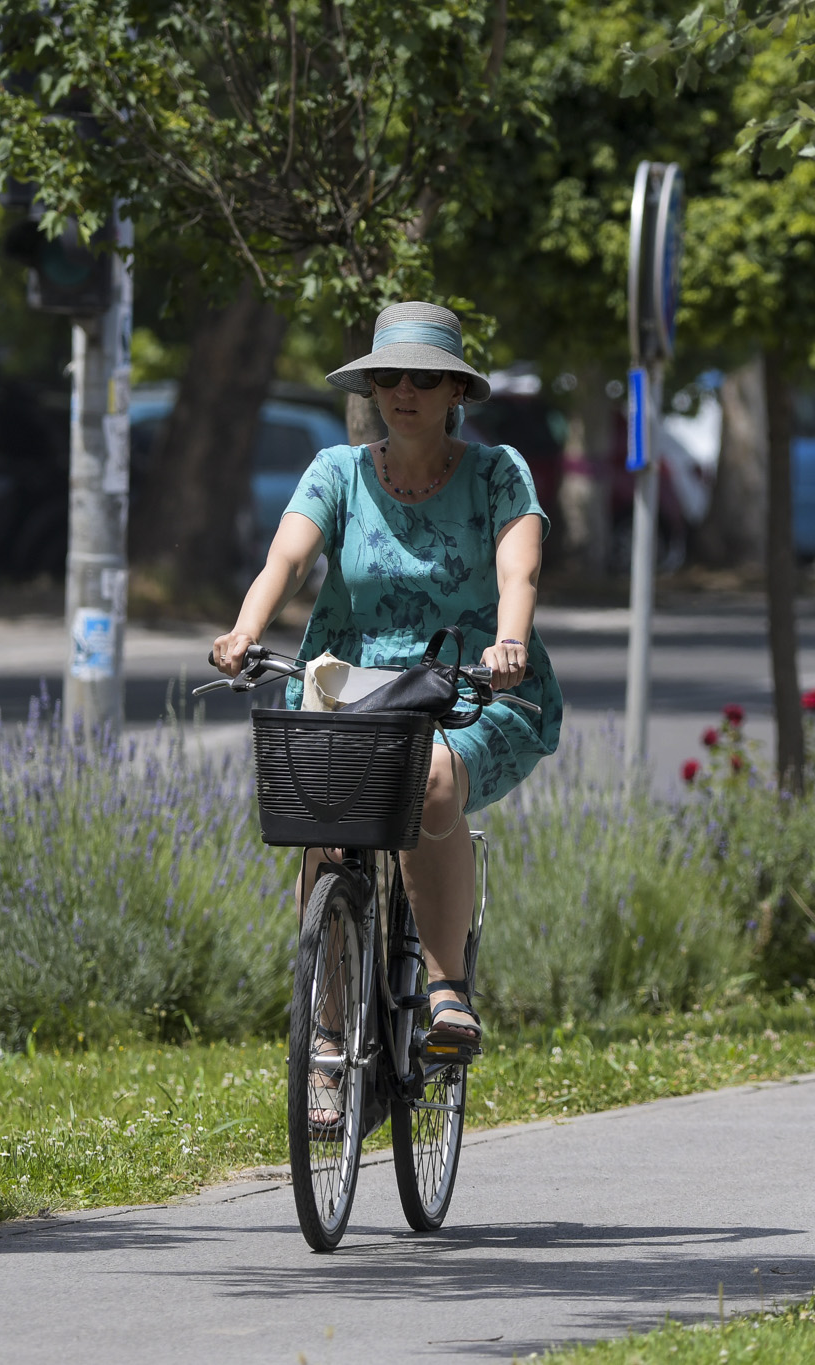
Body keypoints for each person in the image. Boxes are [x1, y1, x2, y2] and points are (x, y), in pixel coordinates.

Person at [211, 301, 563, 1070]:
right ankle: (329, 1037)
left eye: (425, 377)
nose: (403, 389)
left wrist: (508, 641)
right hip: (354, 685)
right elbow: (286, 560)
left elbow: (520, 570)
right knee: (326, 814)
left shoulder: (497, 475)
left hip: (475, 687)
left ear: (456, 394)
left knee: (431, 778)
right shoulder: (336, 472)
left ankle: (446, 991)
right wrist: (244, 630)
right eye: (389, 376)